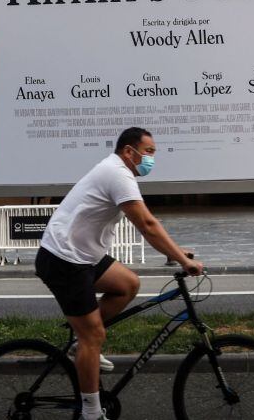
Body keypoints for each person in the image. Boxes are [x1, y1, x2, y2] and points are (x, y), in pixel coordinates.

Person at [35, 127, 203, 420]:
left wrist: (173, 251)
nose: (152, 159)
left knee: (128, 284)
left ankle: (81, 343)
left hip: (84, 256)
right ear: (129, 151)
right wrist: (180, 260)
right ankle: (91, 411)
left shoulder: (117, 172)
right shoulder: (117, 174)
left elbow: (146, 222)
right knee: (94, 335)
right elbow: (146, 224)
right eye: (148, 152)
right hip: (64, 260)